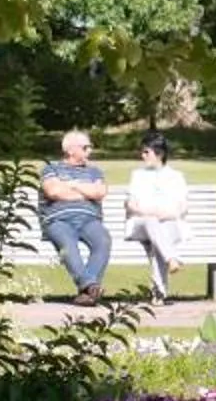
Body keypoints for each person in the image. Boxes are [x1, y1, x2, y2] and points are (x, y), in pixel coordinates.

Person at [37, 128, 112, 305]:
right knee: (68, 245)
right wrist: (86, 191)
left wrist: (72, 185)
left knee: (103, 241)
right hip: (58, 220)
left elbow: (99, 192)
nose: (90, 151)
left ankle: (87, 291)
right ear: (71, 150)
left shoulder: (94, 172)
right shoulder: (51, 169)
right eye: (86, 147)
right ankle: (90, 286)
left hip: (89, 219)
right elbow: (54, 191)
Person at [120, 131, 192, 301]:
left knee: (160, 238)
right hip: (141, 224)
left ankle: (158, 294)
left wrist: (165, 214)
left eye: (147, 152)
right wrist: (148, 213)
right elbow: (130, 204)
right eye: (142, 151)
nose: (142, 155)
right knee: (152, 222)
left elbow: (182, 207)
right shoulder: (137, 175)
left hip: (168, 223)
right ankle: (171, 258)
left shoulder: (176, 177)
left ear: (160, 153)